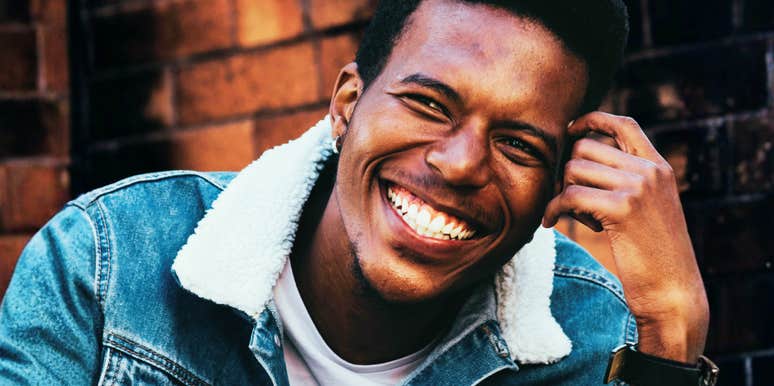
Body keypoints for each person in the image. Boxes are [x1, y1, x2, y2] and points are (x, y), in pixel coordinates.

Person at [0, 0, 715, 384]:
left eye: (519, 144)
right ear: (346, 103)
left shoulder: (594, 338)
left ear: (558, 183)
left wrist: (671, 330)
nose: (463, 164)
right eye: (430, 104)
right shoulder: (107, 262)